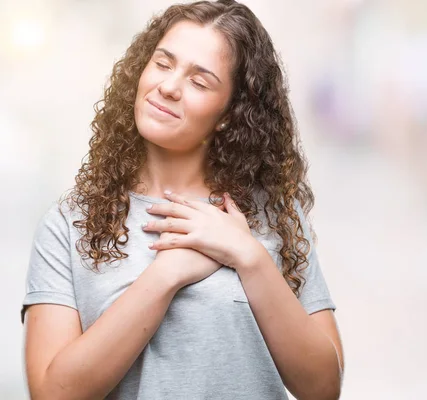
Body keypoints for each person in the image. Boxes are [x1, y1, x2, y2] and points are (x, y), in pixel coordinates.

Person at [21, 1, 344, 399]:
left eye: (200, 81)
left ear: (229, 112)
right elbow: (53, 394)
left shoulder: (269, 216)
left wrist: (248, 256)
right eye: (163, 63)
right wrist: (167, 274)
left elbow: (323, 388)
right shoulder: (69, 224)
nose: (169, 86)